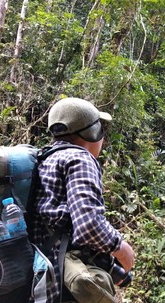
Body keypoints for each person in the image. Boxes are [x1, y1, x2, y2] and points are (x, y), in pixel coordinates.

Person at [29, 97, 135, 302]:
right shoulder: (80, 159)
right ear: (91, 133)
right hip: (63, 284)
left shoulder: (43, 158)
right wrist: (121, 249)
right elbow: (89, 225)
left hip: (38, 275)